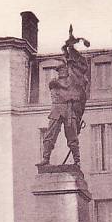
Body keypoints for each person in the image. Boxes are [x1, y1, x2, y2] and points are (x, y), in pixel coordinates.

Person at [37, 26, 89, 168]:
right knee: (50, 134)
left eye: (63, 70)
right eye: (60, 70)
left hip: (69, 109)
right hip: (57, 110)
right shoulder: (54, 83)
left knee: (72, 137)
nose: (61, 72)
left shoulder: (74, 82)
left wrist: (70, 49)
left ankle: (77, 161)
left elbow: (78, 94)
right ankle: (45, 159)